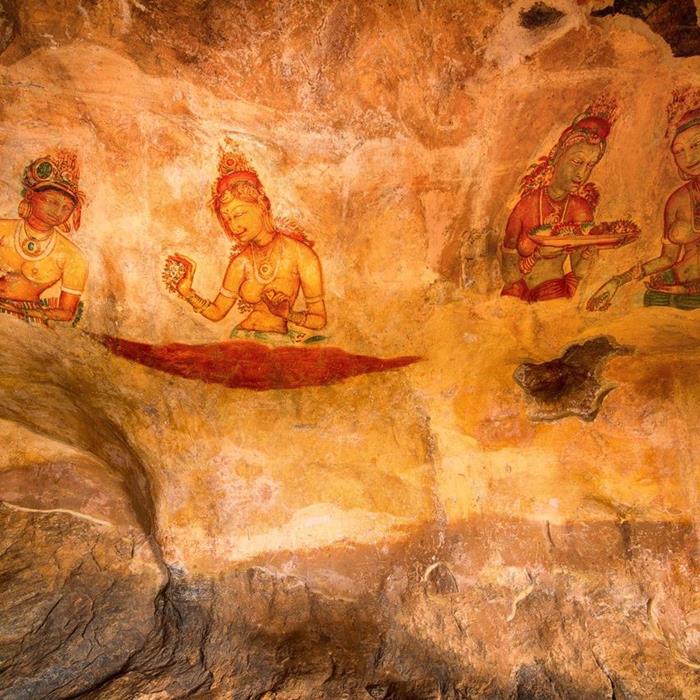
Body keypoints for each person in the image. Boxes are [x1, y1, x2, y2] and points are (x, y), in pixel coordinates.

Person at [164, 146, 326, 340]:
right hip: (239, 339)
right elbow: (217, 312)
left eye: (239, 214)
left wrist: (288, 315)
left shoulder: (301, 254)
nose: (233, 226)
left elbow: (319, 320)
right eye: (227, 219)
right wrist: (187, 292)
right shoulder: (241, 262)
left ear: (262, 206)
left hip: (276, 342)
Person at [588, 105, 700, 311]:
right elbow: (668, 258)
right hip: (671, 285)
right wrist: (618, 280)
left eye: (696, 145)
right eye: (679, 151)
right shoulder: (677, 200)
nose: (689, 158)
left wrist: (688, 290)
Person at [501, 105, 614, 303]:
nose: (582, 174)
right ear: (556, 156)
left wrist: (590, 248)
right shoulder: (526, 205)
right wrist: (537, 255)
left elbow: (579, 271)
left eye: (590, 165)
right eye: (577, 162)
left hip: (552, 293)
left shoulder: (581, 209)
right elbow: (509, 276)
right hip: (515, 294)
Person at [0, 152, 87, 324]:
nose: (58, 212)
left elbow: (66, 313)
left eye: (67, 208)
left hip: (29, 319)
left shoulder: (73, 256)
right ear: (31, 196)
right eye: (52, 202)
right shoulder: (3, 229)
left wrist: (22, 311)